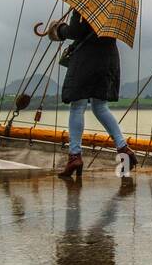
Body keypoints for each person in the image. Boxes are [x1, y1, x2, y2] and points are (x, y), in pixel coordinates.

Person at [48, 10, 136, 179]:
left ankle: (74, 156)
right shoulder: (114, 5)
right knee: (100, 106)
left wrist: (59, 30)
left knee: (77, 106)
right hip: (108, 58)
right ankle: (123, 148)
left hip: (87, 59)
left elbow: (76, 31)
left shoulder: (86, 3)